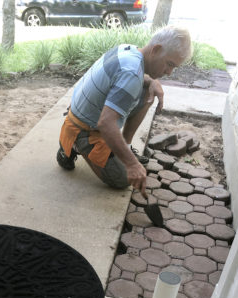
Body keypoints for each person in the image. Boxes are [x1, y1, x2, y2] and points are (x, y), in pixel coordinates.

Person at [57, 26, 192, 196]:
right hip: (84, 128)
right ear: (156, 50)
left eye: (174, 67)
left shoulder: (130, 50)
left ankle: (123, 148)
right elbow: (106, 124)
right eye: (169, 64)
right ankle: (72, 145)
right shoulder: (131, 73)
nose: (170, 72)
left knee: (147, 91)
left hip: (85, 111)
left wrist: (152, 81)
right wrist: (132, 164)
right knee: (123, 179)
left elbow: (127, 77)